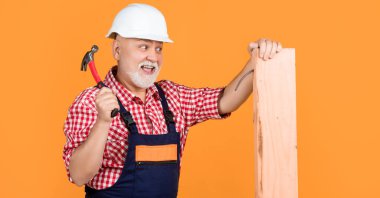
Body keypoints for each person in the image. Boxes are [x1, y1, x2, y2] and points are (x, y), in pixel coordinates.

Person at [62, 3, 282, 198]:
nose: (153, 56)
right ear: (117, 50)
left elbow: (225, 101)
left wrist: (256, 62)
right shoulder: (90, 102)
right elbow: (79, 175)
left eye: (159, 48)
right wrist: (102, 121)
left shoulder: (172, 98)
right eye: (144, 46)